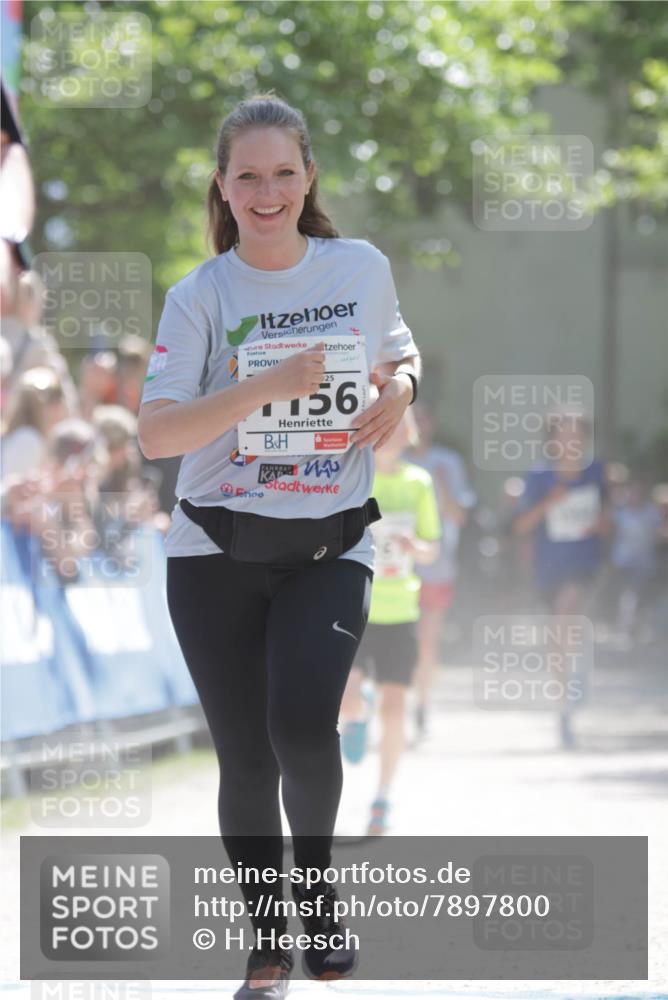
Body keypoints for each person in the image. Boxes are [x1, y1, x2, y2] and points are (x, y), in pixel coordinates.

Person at [137, 94, 420, 999]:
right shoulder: (200, 296)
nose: (268, 192)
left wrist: (404, 388)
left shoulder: (360, 267)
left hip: (330, 545)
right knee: (247, 760)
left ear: (309, 179)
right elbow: (156, 436)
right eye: (248, 176)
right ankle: (266, 942)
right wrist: (263, 384)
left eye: (284, 173)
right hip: (214, 551)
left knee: (303, 730)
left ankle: (320, 886)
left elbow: (399, 352)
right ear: (222, 186)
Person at [339, 409, 440, 834]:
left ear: (411, 432)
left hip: (401, 610)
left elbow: (431, 550)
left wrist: (411, 545)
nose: (395, 429)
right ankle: (356, 717)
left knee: (396, 706)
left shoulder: (419, 483)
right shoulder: (353, 475)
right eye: (388, 420)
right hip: (353, 604)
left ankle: (382, 797)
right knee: (348, 700)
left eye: (402, 422)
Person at [512, 410, 610, 748]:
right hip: (548, 566)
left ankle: (576, 676)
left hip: (583, 563)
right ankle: (564, 706)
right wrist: (549, 503)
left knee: (568, 613)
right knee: (558, 636)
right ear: (552, 441)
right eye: (564, 436)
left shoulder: (596, 472)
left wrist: (601, 525)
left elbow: (608, 519)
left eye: (577, 436)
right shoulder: (539, 476)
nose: (571, 443)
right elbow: (521, 525)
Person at [406, 402, 475, 738]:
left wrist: (441, 485)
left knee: (426, 642)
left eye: (422, 418)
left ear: (432, 423)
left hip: (437, 565)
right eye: (412, 418)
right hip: (395, 568)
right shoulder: (389, 458)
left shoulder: (448, 462)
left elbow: (460, 515)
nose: (418, 424)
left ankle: (421, 704)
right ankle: (387, 699)